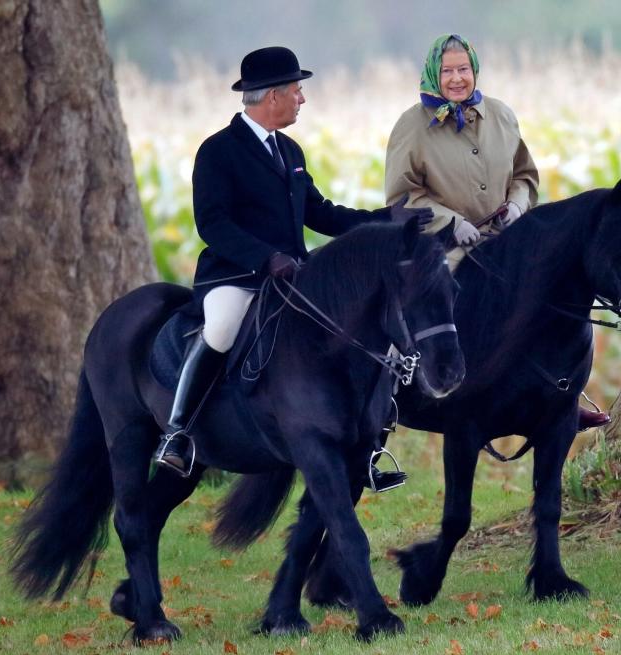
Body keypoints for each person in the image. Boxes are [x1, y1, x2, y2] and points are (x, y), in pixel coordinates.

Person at [155, 46, 432, 477]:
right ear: (272, 97)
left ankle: (368, 444)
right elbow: (212, 224)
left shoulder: (290, 151)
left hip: (293, 276)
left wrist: (387, 221)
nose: (302, 99)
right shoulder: (218, 151)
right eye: (297, 91)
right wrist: (266, 257)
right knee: (223, 328)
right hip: (236, 277)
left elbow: (321, 213)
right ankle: (178, 432)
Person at [384, 34, 610, 430]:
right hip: (440, 246)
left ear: (475, 71)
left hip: (505, 241)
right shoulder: (412, 126)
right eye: (448, 71)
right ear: (433, 74)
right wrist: (453, 223)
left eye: (463, 70)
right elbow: (403, 195)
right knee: (431, 305)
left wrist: (520, 205)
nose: (457, 79)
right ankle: (390, 393)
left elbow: (524, 175)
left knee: (551, 294)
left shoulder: (502, 115)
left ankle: (562, 398)